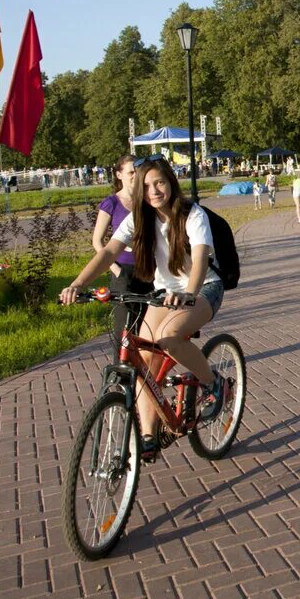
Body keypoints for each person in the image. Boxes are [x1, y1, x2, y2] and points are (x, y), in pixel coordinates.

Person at [60, 155, 226, 456]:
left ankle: (213, 383)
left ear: (171, 183)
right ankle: (149, 438)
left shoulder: (192, 215)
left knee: (168, 337)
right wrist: (78, 284)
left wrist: (190, 293)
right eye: (147, 185)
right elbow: (109, 251)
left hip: (203, 289)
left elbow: (200, 259)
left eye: (159, 182)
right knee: (145, 359)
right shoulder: (139, 217)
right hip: (164, 292)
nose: (154, 191)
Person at [92, 154, 153, 359]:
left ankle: (144, 375)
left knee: (148, 328)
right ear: (119, 175)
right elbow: (97, 241)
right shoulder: (111, 203)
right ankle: (121, 376)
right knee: (124, 330)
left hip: (149, 271)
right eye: (130, 172)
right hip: (123, 272)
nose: (135, 176)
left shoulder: (147, 200)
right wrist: (116, 269)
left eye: (137, 172)